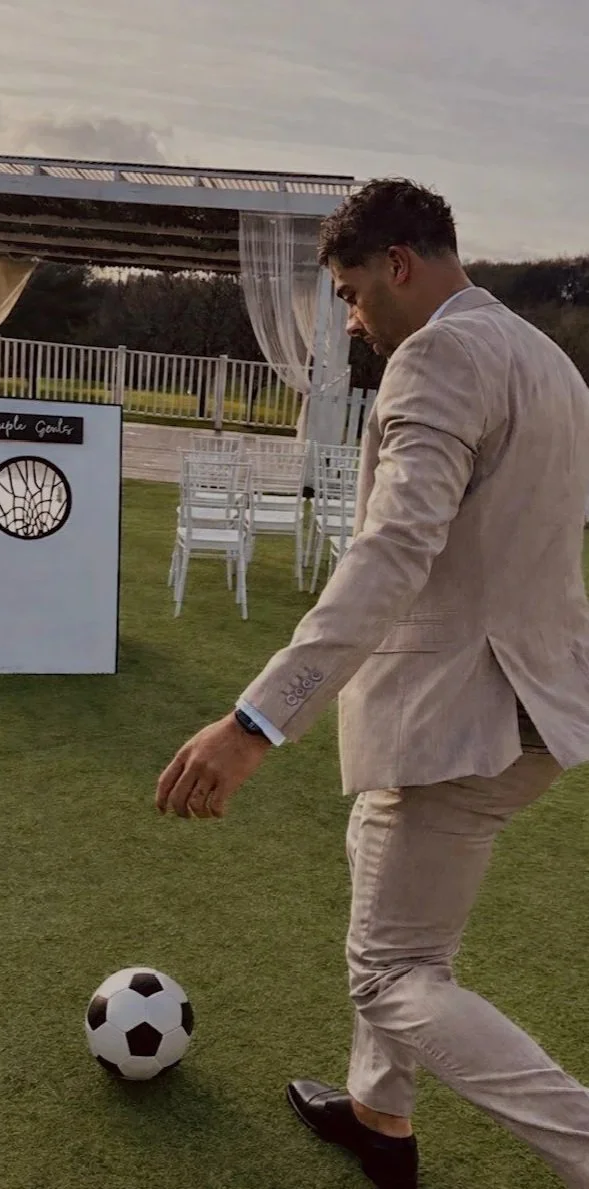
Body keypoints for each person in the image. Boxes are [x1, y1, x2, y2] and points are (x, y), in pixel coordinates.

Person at [156, 178, 589, 1189]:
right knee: (384, 877)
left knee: (392, 971)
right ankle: (379, 1115)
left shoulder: (437, 355)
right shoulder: (550, 362)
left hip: (466, 716)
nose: (351, 320)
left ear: (398, 264)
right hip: (537, 704)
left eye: (352, 293)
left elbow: (392, 552)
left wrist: (255, 721)